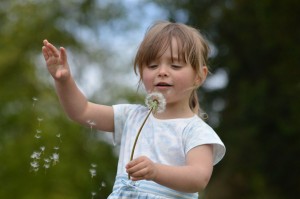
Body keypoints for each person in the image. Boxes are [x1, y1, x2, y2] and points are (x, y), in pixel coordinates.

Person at [42, 21, 225, 199]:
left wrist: (156, 171)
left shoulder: (196, 131)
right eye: (152, 66)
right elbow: (82, 111)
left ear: (199, 76)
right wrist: (64, 81)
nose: (161, 71)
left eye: (175, 65)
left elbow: (199, 178)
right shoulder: (131, 117)